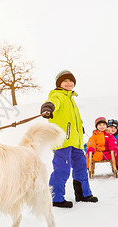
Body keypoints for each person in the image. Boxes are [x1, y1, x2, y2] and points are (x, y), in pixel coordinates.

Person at [40, 70, 98, 208]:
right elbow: (52, 102)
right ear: (59, 84)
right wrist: (48, 107)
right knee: (62, 169)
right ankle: (55, 198)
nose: (68, 83)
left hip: (76, 142)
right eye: (65, 81)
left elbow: (72, 120)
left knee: (81, 168)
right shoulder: (58, 96)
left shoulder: (71, 100)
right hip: (62, 141)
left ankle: (83, 194)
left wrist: (79, 130)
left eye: (71, 81)